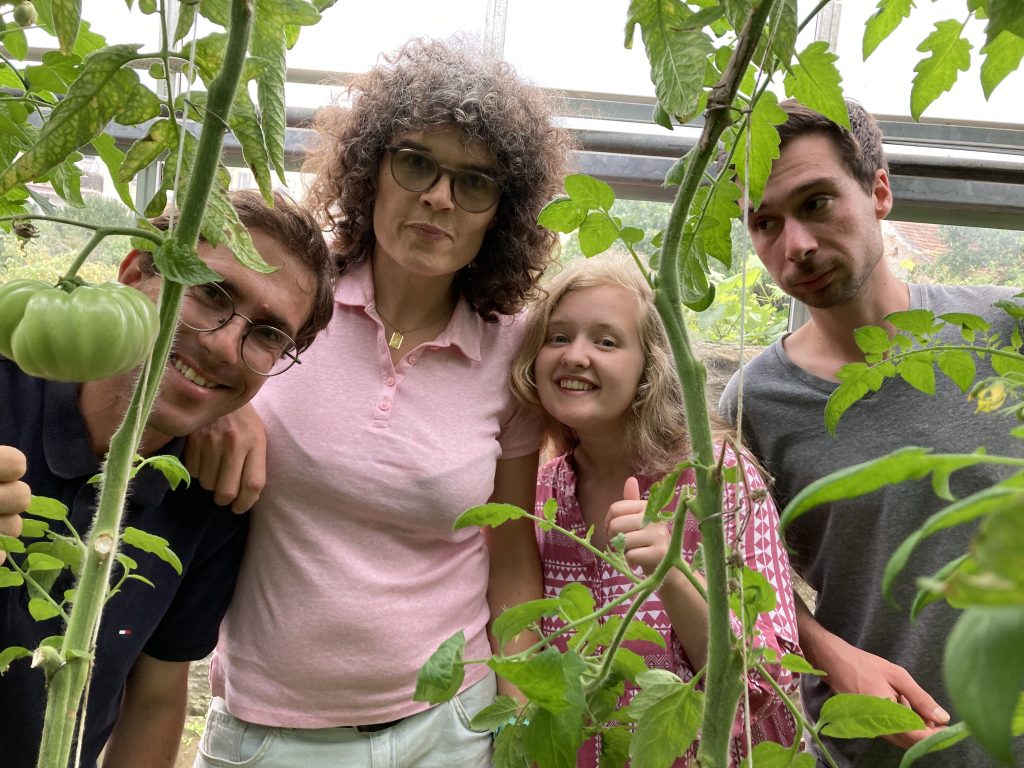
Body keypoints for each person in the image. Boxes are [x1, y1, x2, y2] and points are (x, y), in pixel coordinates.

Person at [187, 38, 572, 767]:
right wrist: (228, 396)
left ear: (503, 211)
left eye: (475, 182)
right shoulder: (293, 303)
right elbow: (186, 348)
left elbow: (511, 553)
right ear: (371, 170)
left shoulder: (510, 350)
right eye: (416, 161)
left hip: (449, 729)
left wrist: (520, 719)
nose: (438, 197)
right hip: (271, 734)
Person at [719, 99, 1024, 767]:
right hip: (875, 747)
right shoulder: (755, 404)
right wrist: (831, 654)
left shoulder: (1005, 332)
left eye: (817, 202)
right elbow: (739, 579)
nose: (794, 245)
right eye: (765, 223)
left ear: (879, 190)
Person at [0, 189, 336, 768]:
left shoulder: (211, 493)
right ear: (134, 274)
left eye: (266, 335)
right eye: (211, 293)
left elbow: (155, 697)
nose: (225, 345)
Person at [509, 253, 801, 766]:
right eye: (558, 337)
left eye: (606, 341)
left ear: (651, 367)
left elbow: (766, 682)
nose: (575, 355)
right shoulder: (540, 497)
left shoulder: (719, 484)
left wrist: (673, 574)